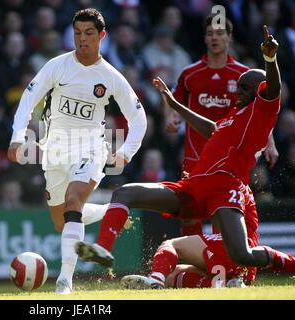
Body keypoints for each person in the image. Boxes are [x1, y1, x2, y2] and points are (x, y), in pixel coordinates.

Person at [75, 26, 295, 286]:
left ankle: (287, 263)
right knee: (125, 192)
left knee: (241, 254)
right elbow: (211, 129)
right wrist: (175, 105)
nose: (239, 93)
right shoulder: (232, 118)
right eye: (239, 88)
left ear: (258, 91)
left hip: (224, 186)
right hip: (193, 186)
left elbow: (272, 88)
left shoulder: (261, 113)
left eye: (245, 89)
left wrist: (270, 59)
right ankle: (102, 249)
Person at [7, 8, 146, 294]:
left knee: (73, 201)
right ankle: (110, 211)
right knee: (62, 222)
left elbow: (138, 117)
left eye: (89, 34)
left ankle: (64, 282)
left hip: (91, 149)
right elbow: (28, 98)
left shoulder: (110, 76)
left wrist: (126, 152)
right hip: (54, 152)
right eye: (78, 33)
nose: (82, 40)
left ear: (101, 36)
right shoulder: (57, 66)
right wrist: (17, 136)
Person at [164, 15, 279, 236]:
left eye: (219, 33)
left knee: (224, 210)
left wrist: (270, 142)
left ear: (229, 38)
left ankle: (222, 262)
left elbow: (263, 112)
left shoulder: (245, 76)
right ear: (204, 39)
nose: (214, 38)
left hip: (228, 157)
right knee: (189, 214)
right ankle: (192, 265)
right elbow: (173, 100)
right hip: (195, 155)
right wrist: (172, 117)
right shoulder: (190, 73)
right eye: (209, 34)